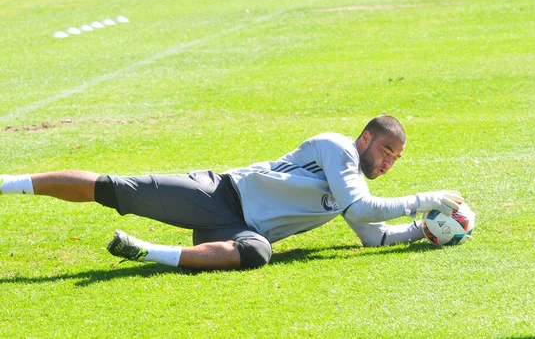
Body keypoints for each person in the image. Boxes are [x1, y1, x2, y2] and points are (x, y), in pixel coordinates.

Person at [0, 115, 462, 271]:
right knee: (111, 188)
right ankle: (7, 183)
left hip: (241, 228)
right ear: (365, 139)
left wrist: (421, 230)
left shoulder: (354, 185)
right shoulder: (337, 147)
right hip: (219, 194)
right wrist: (428, 198)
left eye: (395, 159)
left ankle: (147, 252)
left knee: (258, 252)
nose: (387, 162)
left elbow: (372, 234)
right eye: (385, 150)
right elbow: (362, 209)